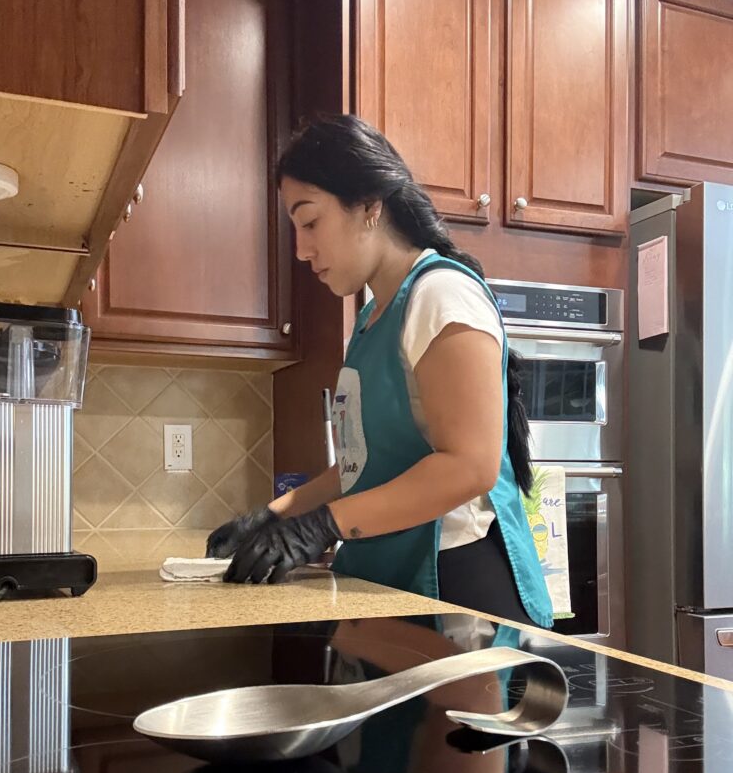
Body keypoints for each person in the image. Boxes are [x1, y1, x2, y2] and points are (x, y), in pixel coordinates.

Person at [207, 114, 552, 628]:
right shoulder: (373, 317)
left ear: (370, 206)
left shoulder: (441, 296)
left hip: (459, 595)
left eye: (310, 222)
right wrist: (279, 514)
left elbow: (469, 465)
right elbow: (362, 467)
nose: (301, 250)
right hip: (398, 583)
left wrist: (320, 527)